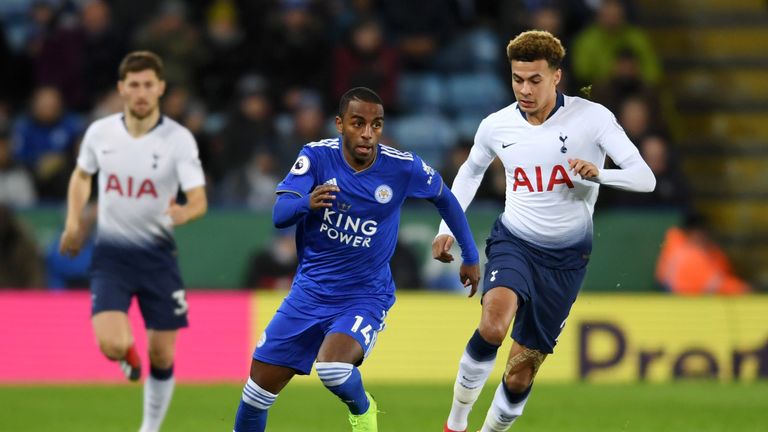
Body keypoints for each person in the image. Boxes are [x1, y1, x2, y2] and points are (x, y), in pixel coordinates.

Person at [434, 30, 656, 432]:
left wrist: (599, 174)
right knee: (493, 324)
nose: (524, 89)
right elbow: (470, 171)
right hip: (513, 242)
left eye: (534, 80)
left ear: (556, 76)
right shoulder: (496, 125)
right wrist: (447, 225)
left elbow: (645, 178)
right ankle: (456, 423)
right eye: (517, 79)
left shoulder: (594, 118)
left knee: (520, 374)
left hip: (566, 261)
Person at [232, 87, 481, 432]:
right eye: (358, 123)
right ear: (339, 124)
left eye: (376, 125)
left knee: (332, 368)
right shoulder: (316, 157)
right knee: (256, 392)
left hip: (364, 296)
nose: (367, 133)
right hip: (309, 293)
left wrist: (468, 254)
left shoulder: (401, 167)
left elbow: (445, 198)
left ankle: (363, 411)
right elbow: (280, 213)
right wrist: (308, 202)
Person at [59, 51, 207, 432]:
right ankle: (126, 354)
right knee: (111, 343)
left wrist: (185, 213)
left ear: (160, 87)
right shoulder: (100, 133)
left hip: (158, 258)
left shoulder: (178, 140)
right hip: (111, 258)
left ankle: (149, 428)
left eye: (148, 85)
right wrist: (73, 223)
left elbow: (199, 199)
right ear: (122, 88)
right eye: (134, 85)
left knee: (161, 352)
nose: (141, 92)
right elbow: (81, 176)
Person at [656, 213, 751, 296]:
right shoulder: (688, 255)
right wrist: (743, 288)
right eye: (702, 233)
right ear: (692, 233)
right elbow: (717, 285)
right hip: (686, 304)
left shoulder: (706, 251)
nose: (705, 236)